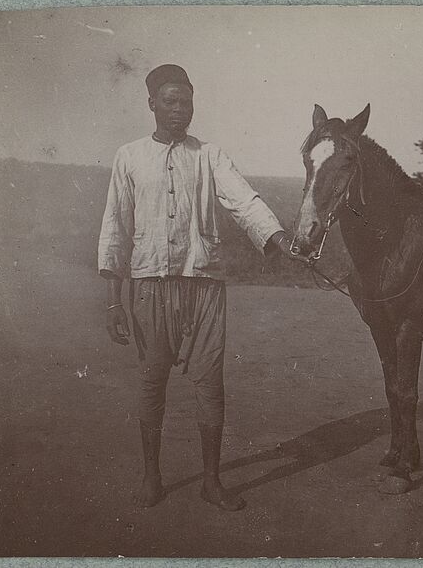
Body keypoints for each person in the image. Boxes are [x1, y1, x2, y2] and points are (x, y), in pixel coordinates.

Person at [98, 64, 296, 511]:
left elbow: (243, 201)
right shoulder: (128, 157)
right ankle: (153, 476)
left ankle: (211, 481)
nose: (179, 110)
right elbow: (115, 227)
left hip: (204, 287)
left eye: (185, 102)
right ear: (151, 103)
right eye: (170, 101)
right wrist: (114, 301)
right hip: (149, 287)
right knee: (153, 383)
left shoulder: (210, 155)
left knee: (210, 385)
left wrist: (278, 237)